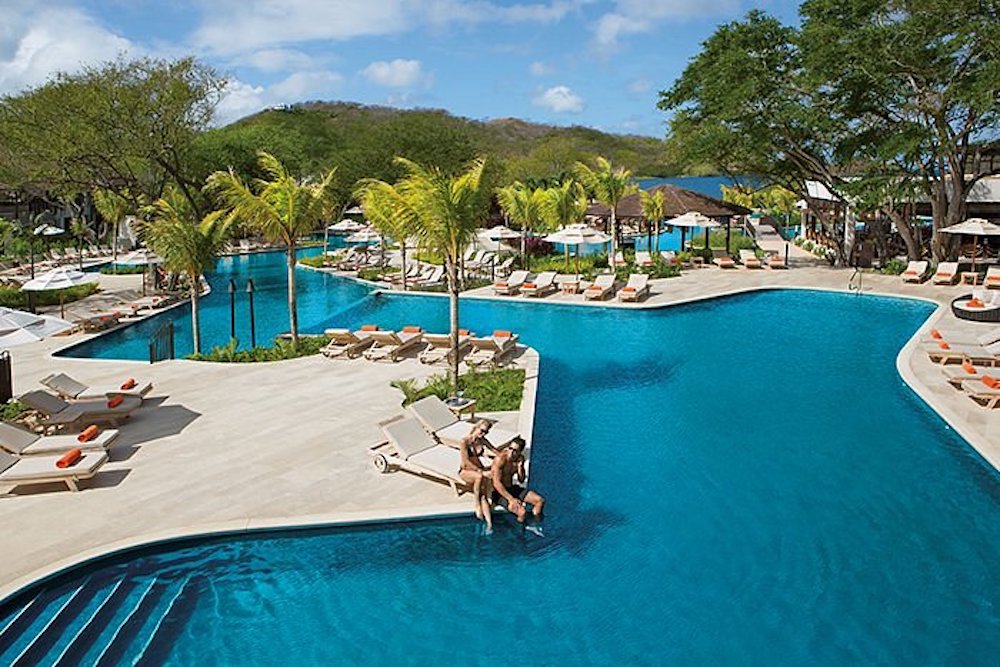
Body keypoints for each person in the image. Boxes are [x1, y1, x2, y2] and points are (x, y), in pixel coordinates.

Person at [490, 437, 544, 525]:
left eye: (515, 450)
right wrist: (511, 499)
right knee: (522, 512)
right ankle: (520, 533)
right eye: (510, 448)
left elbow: (521, 480)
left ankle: (537, 525)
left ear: (520, 452)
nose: (511, 452)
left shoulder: (520, 459)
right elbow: (496, 483)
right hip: (499, 493)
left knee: (539, 501)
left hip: (511, 488)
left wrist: (520, 467)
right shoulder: (500, 459)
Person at [459, 419, 496, 533]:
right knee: (480, 477)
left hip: (479, 470)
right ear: (476, 427)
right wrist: (480, 471)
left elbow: (495, 450)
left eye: (486, 432)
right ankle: (476, 504)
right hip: (466, 471)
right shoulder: (464, 441)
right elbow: (465, 461)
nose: (483, 434)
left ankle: (489, 525)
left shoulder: (482, 441)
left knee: (484, 495)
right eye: (482, 430)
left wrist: (507, 456)